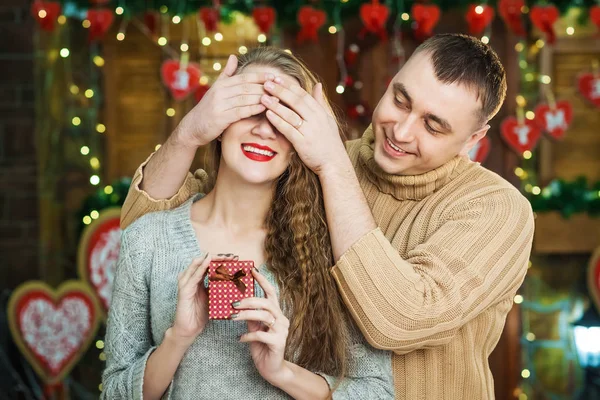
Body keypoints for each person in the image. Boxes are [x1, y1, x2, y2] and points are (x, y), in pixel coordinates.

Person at [120, 34, 535, 399]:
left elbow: (401, 322)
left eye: (433, 125)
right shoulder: (313, 159)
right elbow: (148, 224)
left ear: (474, 138)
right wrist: (192, 131)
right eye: (400, 100)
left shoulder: (495, 209)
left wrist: (333, 163)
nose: (402, 131)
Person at [102, 47, 394, 399]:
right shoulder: (146, 241)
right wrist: (177, 338)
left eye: (283, 119)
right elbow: (114, 393)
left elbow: (377, 391)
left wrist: (282, 372)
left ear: (302, 144)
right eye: (250, 110)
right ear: (218, 124)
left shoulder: (334, 251)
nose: (264, 130)